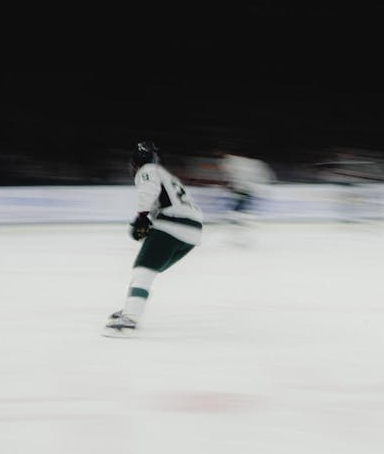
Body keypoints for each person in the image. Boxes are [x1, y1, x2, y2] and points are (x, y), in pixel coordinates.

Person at [103, 141, 203, 336]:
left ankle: (129, 320)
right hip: (193, 231)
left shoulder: (148, 169)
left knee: (143, 271)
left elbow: (148, 190)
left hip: (173, 223)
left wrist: (141, 216)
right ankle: (132, 307)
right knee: (148, 270)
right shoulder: (167, 175)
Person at [216, 149, 275, 227]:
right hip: (241, 188)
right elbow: (230, 172)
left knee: (241, 203)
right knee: (241, 203)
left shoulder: (240, 163)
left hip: (243, 187)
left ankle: (234, 218)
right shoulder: (235, 162)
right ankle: (234, 218)